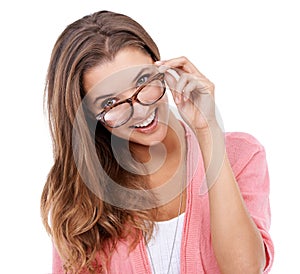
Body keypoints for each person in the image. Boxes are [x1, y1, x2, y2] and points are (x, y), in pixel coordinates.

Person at [41, 10, 274, 274]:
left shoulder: (241, 155)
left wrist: (207, 129)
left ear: (162, 68)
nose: (140, 109)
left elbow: (244, 270)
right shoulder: (81, 195)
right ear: (89, 116)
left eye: (143, 80)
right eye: (110, 102)